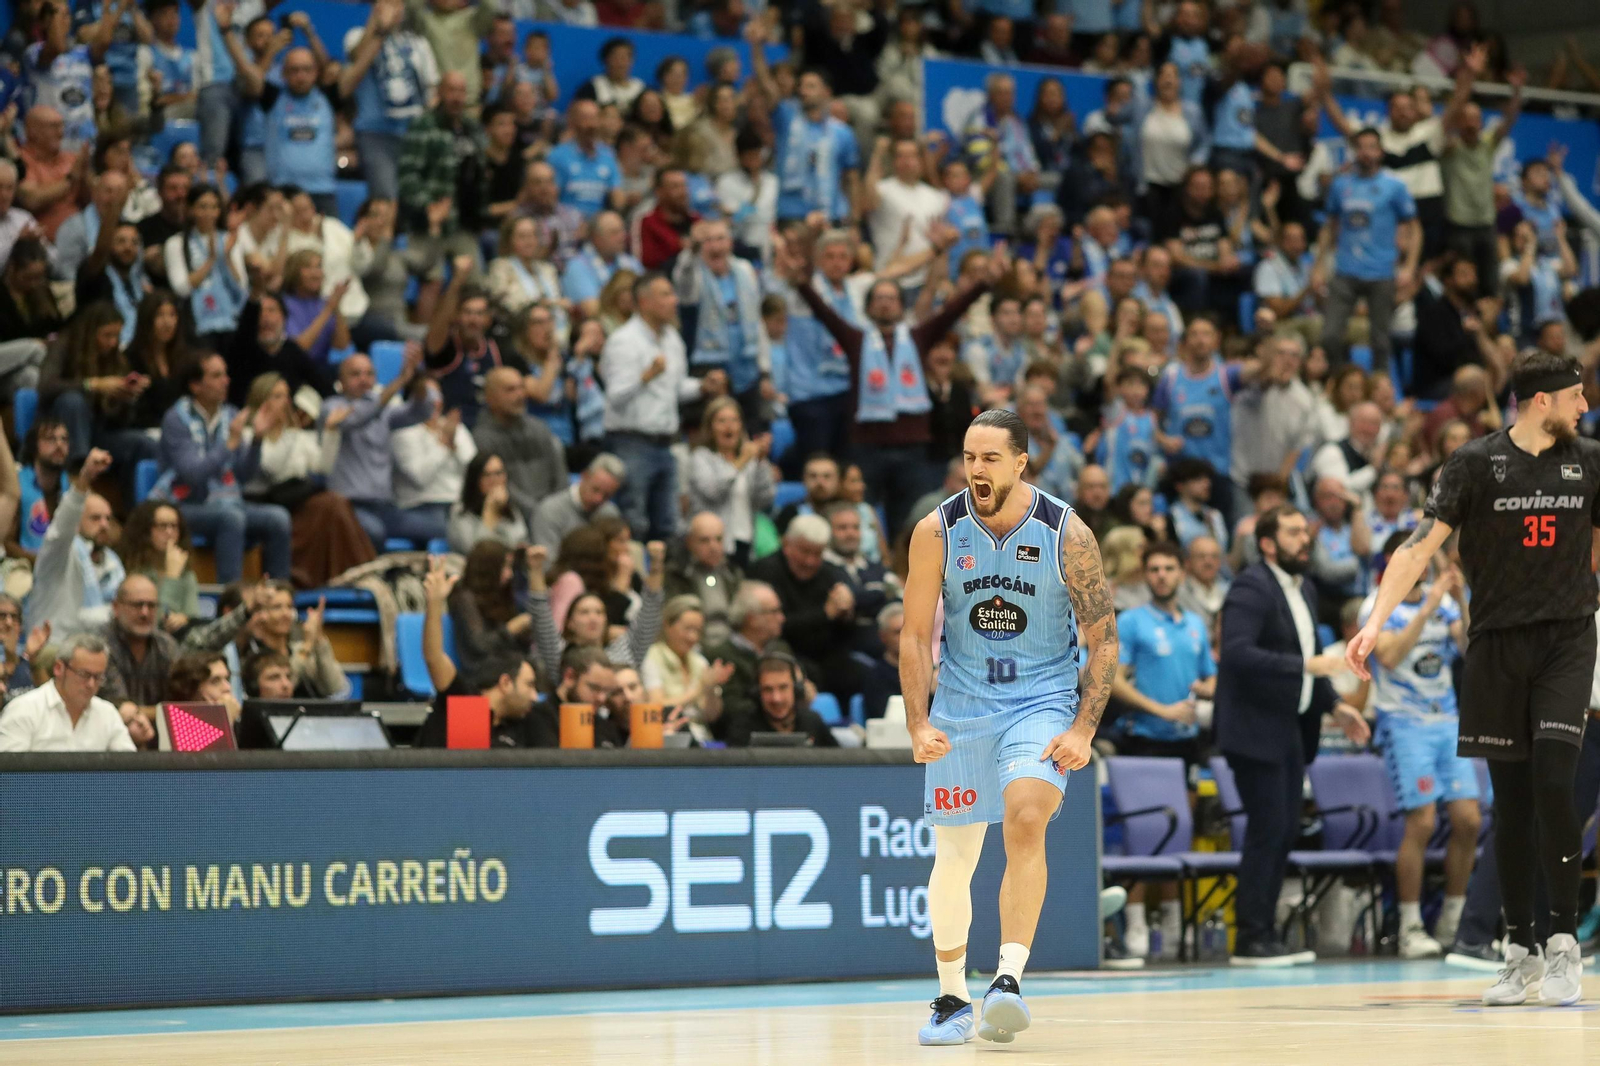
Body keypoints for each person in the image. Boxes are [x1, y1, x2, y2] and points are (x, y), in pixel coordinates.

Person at [1348, 350, 1600, 1008]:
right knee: (1510, 806)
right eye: (1576, 396)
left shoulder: (1592, 460)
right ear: (1541, 401)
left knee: (1554, 779)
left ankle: (1564, 941)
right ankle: (1518, 950)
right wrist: (1374, 623)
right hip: (1493, 646)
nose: (1585, 406)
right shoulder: (1474, 463)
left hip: (1569, 640)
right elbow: (1418, 546)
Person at [899, 409, 1114, 1046]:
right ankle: (950, 997)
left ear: (1021, 463)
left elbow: (1102, 641)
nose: (976, 470)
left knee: (1024, 818)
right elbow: (913, 636)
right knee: (955, 855)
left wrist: (1082, 729)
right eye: (969, 457)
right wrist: (917, 722)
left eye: (990, 458)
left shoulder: (1066, 533)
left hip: (1040, 701)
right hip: (961, 704)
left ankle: (1008, 981)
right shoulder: (935, 531)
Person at [1215, 505, 1368, 965]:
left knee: (1283, 831)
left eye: (1306, 531)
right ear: (1267, 543)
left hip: (1288, 729)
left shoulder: (1303, 587)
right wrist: (1306, 667)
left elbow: (1312, 659)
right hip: (1254, 728)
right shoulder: (1251, 586)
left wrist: (1337, 706)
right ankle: (1250, 937)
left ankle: (1265, 933)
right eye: (1294, 532)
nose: (1306, 539)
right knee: (1268, 830)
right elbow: (1238, 653)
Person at [1357, 532, 1479, 958]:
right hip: (1404, 724)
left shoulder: (1442, 599)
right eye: (1417, 555)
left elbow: (1467, 648)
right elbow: (1387, 656)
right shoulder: (1377, 604)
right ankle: (1409, 926)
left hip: (1446, 720)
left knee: (1469, 819)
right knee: (1423, 821)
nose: (1424, 565)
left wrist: (1460, 601)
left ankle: (1452, 920)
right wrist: (1426, 609)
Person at [154, 353, 290, 583]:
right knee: (232, 518)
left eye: (226, 374)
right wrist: (228, 446)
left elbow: (243, 476)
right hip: (185, 505)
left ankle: (279, 596)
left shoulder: (231, 415)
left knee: (279, 518)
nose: (226, 381)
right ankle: (230, 598)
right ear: (195, 385)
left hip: (227, 502)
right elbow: (192, 474)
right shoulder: (176, 419)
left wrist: (257, 440)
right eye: (216, 376)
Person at [601, 272, 716, 541]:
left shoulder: (672, 340)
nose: (674, 300)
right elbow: (615, 396)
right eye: (665, 294)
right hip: (632, 442)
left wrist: (702, 387)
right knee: (634, 521)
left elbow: (675, 389)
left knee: (668, 524)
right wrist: (646, 376)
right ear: (644, 301)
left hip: (667, 443)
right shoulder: (623, 341)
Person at [1314, 128, 1420, 373]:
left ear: (1381, 152)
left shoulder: (1393, 186)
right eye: (1361, 147)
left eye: (1372, 147)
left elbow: (1415, 228)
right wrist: (1318, 266)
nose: (1366, 152)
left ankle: (1379, 388)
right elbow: (1329, 228)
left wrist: (1409, 266)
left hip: (1381, 272)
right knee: (1329, 336)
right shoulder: (1341, 185)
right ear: (1354, 151)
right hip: (1345, 270)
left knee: (1380, 341)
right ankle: (1337, 382)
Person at [321, 348, 439, 552]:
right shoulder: (332, 408)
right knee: (375, 532)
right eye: (355, 374)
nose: (364, 380)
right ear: (340, 380)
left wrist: (417, 379)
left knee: (440, 528)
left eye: (369, 374)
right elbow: (360, 417)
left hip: (385, 508)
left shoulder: (384, 411)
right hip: (349, 508)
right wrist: (400, 381)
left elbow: (420, 411)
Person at [338, 0, 439, 203]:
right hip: (375, 133)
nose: (395, 9)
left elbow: (431, 89)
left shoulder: (419, 43)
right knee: (384, 197)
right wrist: (377, 27)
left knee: (414, 198)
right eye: (388, 3)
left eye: (398, 4)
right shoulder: (356, 36)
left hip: (413, 133)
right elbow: (357, 57)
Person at [26, 448, 121, 637]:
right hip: (52, 649)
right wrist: (85, 478)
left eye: (107, 519)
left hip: (95, 652)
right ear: (76, 523)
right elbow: (62, 526)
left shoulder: (112, 563)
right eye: (95, 518)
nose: (104, 525)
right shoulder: (59, 553)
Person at [240, 47, 337, 215]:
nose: (301, 76)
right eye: (294, 70)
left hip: (322, 191)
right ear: (283, 73)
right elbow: (249, 74)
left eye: (307, 69)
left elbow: (354, 70)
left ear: (316, 72)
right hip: (282, 191)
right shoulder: (272, 97)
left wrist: (309, 31)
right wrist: (225, 31)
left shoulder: (328, 97)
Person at [0, 632, 134, 752]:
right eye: (84, 674)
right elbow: (9, 776)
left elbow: (130, 773)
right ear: (59, 668)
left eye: (98, 677)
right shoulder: (24, 710)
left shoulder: (107, 714)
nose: (91, 684)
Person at [472, 365, 568, 524]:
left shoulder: (539, 427)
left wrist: (556, 508)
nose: (520, 395)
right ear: (490, 397)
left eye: (521, 388)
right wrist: (540, 512)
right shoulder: (482, 438)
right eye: (510, 390)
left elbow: (560, 477)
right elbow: (499, 486)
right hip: (511, 517)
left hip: (552, 512)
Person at [686, 396, 775, 564]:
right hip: (711, 545)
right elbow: (713, 492)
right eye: (721, 421)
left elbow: (764, 500)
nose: (729, 426)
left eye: (734, 420)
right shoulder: (701, 457)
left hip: (745, 541)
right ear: (710, 427)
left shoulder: (750, 461)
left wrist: (762, 463)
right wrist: (741, 462)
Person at [640, 594, 732, 741]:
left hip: (703, 738)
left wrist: (710, 689)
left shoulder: (699, 661)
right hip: (669, 737)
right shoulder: (651, 658)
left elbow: (711, 715)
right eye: (688, 629)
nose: (693, 638)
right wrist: (697, 690)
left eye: (698, 631)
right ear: (667, 625)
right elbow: (656, 706)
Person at [117, 500, 199, 635]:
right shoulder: (134, 573)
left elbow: (195, 619)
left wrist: (185, 619)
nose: (169, 532)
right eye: (162, 526)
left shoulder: (186, 574)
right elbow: (155, 623)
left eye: (174, 526)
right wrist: (171, 577)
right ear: (146, 530)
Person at [736, 652, 837, 748]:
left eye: (783, 688)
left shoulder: (813, 721)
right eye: (768, 689)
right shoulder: (743, 727)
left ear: (796, 689)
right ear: (757, 693)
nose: (777, 698)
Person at [532, 453, 624, 556]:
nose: (598, 499)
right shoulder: (550, 511)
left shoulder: (610, 514)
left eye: (607, 496)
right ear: (584, 476)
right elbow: (547, 563)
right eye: (595, 490)